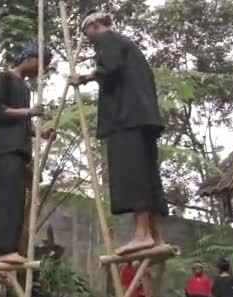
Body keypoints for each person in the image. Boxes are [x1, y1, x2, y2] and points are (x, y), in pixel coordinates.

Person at [70, 10, 168, 256]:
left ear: (94, 25)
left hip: (126, 118)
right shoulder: (128, 45)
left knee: (132, 173)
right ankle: (155, 236)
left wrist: (85, 77)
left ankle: (142, 235)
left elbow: (110, 67)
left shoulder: (108, 39)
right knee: (146, 173)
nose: (88, 38)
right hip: (141, 118)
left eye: (86, 32)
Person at [0, 45, 56, 266]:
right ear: (29, 58)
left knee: (15, 201)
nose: (41, 71)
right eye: (41, 65)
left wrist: (41, 133)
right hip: (5, 148)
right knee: (5, 199)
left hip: (20, 150)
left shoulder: (25, 89)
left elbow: (23, 123)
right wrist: (28, 112)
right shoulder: (3, 78)